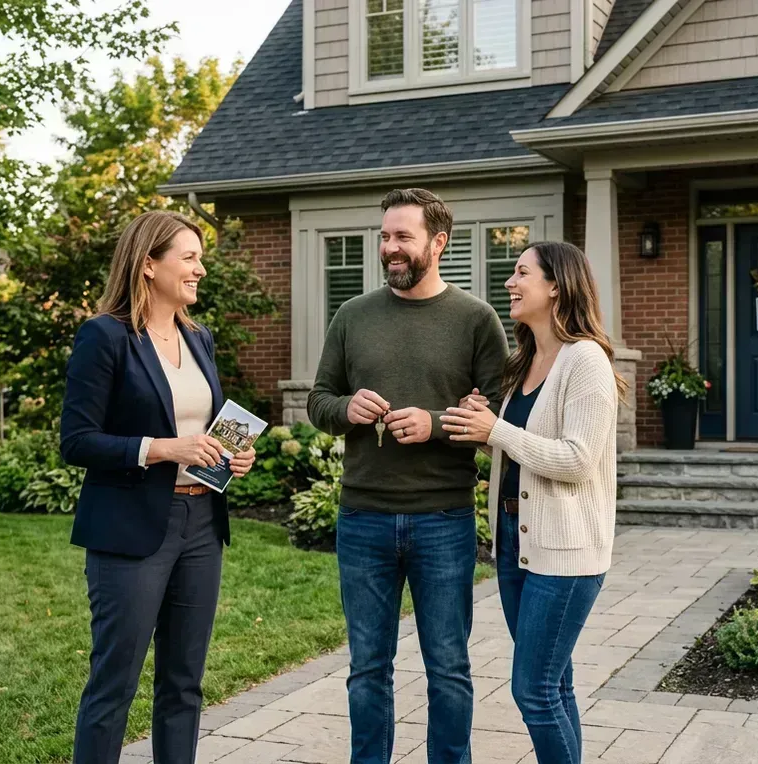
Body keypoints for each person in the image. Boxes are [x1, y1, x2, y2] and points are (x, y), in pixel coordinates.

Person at [307, 188, 509, 764]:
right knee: (367, 667)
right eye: (385, 236)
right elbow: (319, 401)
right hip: (362, 517)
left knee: (448, 666)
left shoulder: (476, 319)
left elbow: (498, 415)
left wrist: (435, 423)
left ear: (438, 242)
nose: (390, 248)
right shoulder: (352, 315)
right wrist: (347, 409)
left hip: (442, 519)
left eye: (403, 237)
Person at [61, 210, 257, 764]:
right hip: (131, 530)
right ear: (149, 264)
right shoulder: (105, 336)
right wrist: (164, 448)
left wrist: (233, 456)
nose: (200, 269)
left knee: (184, 682)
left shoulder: (199, 338)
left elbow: (205, 427)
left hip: (202, 525)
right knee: (114, 684)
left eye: (200, 258)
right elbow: (77, 441)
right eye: (189, 257)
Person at [439, 241, 624, 764]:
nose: (510, 283)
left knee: (534, 691)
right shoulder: (525, 362)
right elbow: (521, 449)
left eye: (522, 273)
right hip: (517, 547)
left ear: (556, 286)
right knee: (555, 685)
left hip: (565, 553)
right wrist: (481, 428)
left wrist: (496, 429)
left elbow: (577, 460)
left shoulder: (585, 359)